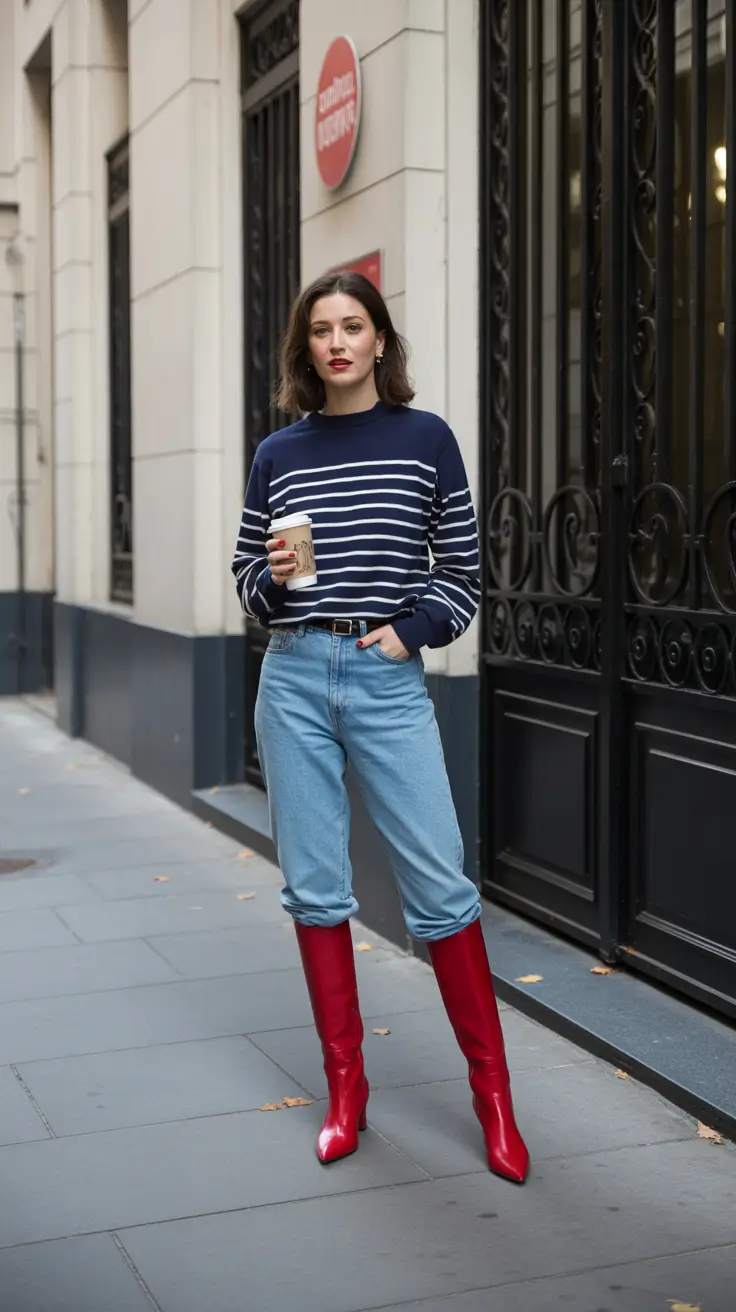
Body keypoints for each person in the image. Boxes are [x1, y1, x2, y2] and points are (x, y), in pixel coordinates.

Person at [231, 272, 529, 1185]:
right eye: (321, 330)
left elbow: (463, 569)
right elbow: (245, 581)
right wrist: (275, 577)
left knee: (440, 884)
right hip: (292, 674)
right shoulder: (278, 452)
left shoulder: (425, 438)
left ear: (380, 340)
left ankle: (494, 1101)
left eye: (353, 326)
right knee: (315, 890)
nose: (337, 343)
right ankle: (346, 1092)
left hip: (385, 677)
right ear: (306, 348)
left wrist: (411, 631)